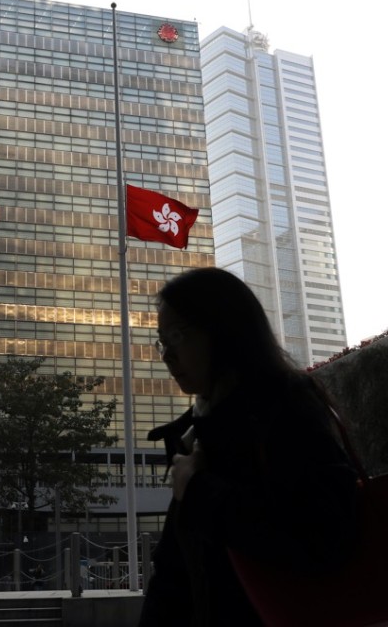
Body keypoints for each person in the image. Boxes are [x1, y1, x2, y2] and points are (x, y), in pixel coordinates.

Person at [138, 267, 360, 627]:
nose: (167, 355)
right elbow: (175, 575)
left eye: (177, 336)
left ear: (223, 331)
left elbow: (324, 540)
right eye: (162, 341)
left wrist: (199, 490)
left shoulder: (287, 410)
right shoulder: (197, 432)